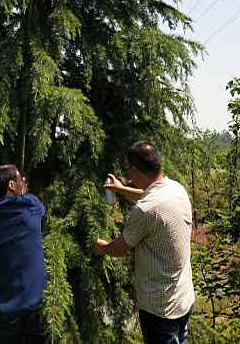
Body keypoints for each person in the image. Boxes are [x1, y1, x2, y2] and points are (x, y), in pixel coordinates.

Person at [93, 141, 194, 344]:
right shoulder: (176, 189)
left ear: (135, 169)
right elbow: (148, 197)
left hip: (160, 308)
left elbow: (120, 248)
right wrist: (120, 189)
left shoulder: (145, 211)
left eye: (129, 170)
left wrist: (99, 245)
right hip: (184, 298)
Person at [0, 164, 47, 343]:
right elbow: (41, 213)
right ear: (12, 186)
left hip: (2, 310)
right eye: (20, 179)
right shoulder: (32, 204)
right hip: (33, 307)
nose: (24, 181)